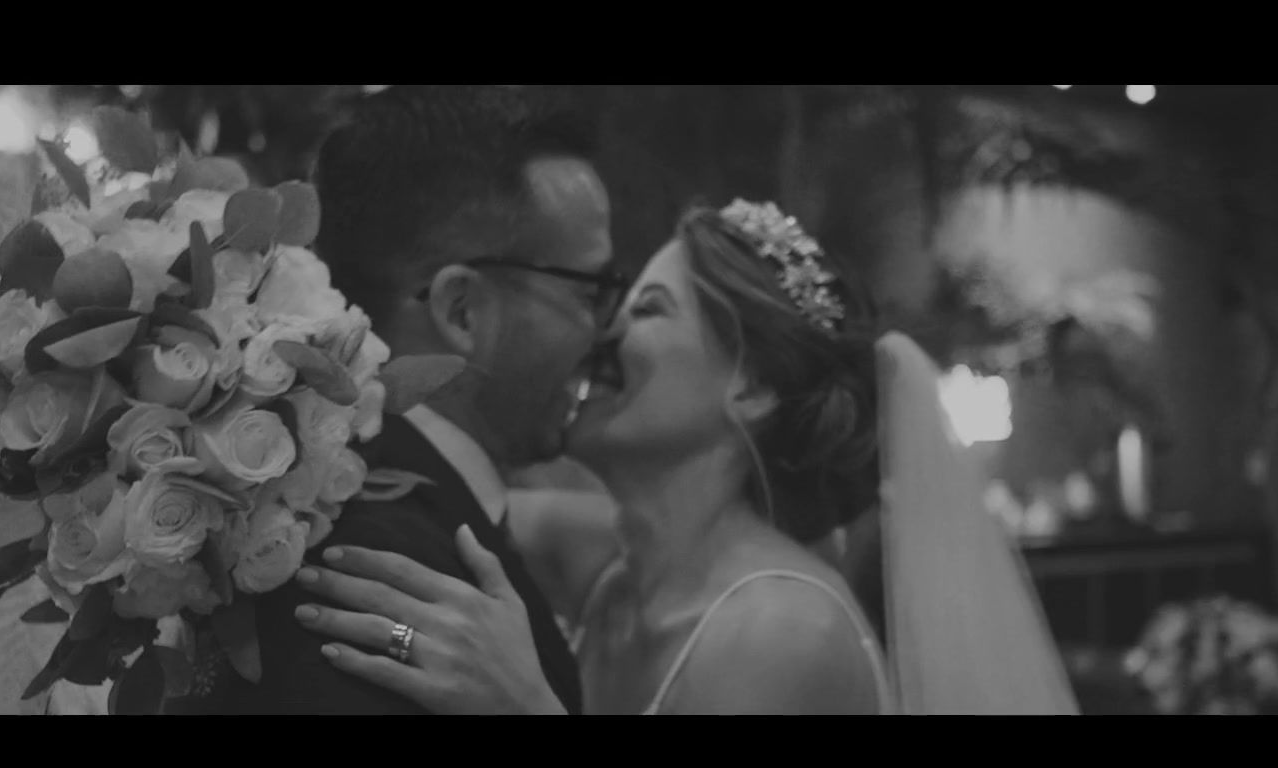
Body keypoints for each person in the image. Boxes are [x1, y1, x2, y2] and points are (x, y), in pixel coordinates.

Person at [292, 198, 1082, 715]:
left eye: (649, 310)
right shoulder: (616, 566)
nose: (599, 336)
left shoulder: (780, 632)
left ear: (752, 389)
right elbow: (437, 483)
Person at [231, 84, 626, 714]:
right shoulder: (385, 570)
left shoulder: (350, 497)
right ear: (462, 310)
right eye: (589, 291)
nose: (607, 329)